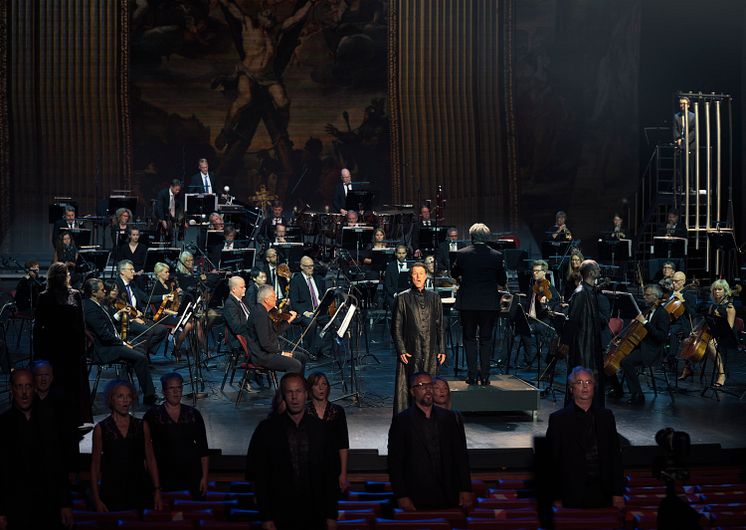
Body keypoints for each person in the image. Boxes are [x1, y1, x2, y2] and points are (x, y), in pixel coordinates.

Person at [247, 373, 339, 530]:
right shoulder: (267, 429)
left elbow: (330, 474)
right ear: (283, 396)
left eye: (298, 391)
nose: (294, 397)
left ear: (306, 394)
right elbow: (259, 475)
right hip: (280, 514)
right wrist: (266, 516)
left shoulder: (320, 429)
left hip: (315, 513)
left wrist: (331, 515)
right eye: (290, 392)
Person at [388, 372, 473, 512]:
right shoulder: (402, 421)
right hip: (417, 495)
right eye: (422, 386)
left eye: (430, 385)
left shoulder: (449, 418)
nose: (428, 389)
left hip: (448, 493)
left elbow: (461, 456)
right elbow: (395, 462)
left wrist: (465, 488)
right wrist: (401, 495)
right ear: (412, 391)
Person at [0, 369, 74, 530]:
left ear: (34, 388)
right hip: (17, 508)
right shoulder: (3, 425)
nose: (24, 392)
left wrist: (65, 503)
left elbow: (58, 464)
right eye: (20, 387)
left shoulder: (49, 420)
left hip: (49, 504)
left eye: (28, 386)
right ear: (12, 390)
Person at [545, 366, 624, 510]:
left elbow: (615, 457)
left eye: (588, 382)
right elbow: (551, 462)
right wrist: (555, 497)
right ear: (571, 389)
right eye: (579, 382)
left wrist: (617, 493)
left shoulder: (606, 416)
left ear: (594, 387)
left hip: (602, 492)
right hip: (570, 494)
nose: (585, 387)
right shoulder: (558, 419)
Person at [33, 261, 91, 426]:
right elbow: (38, 326)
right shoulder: (44, 296)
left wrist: (82, 348)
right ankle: (55, 417)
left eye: (64, 274)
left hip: (73, 348)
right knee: (57, 382)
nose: (63, 277)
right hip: (53, 348)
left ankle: (74, 417)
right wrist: (38, 354)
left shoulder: (75, 294)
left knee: (73, 383)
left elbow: (81, 323)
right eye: (61, 274)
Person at [82, 278, 158, 405]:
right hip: (103, 350)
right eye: (102, 289)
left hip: (109, 344)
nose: (105, 290)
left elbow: (106, 324)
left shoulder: (95, 304)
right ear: (94, 293)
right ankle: (149, 396)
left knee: (140, 350)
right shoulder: (90, 308)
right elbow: (104, 335)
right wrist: (122, 343)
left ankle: (130, 389)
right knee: (139, 357)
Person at [90, 380, 162, 512]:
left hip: (139, 490)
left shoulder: (142, 426)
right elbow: (95, 466)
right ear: (111, 399)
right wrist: (96, 498)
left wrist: (157, 490)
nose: (126, 400)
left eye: (129, 396)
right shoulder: (102, 429)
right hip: (113, 492)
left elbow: (151, 459)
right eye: (120, 396)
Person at [452, 223, 507, 385]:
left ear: (472, 237)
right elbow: (502, 280)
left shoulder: (462, 254)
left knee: (469, 339)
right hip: (489, 304)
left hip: (468, 303)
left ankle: (471, 376)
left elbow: (454, 273)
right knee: (486, 339)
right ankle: (485, 376)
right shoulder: (497, 256)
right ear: (487, 238)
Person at [144, 373, 209, 499]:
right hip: (164, 474)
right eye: (171, 388)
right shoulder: (153, 415)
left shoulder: (193, 414)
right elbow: (146, 452)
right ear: (164, 391)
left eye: (178, 388)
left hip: (191, 473)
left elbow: (203, 450)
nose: (175, 392)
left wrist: (205, 478)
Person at [391, 262, 446, 414]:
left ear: (426, 276)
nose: (418, 277)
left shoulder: (434, 298)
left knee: (430, 385)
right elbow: (396, 327)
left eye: (421, 274)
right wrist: (401, 349)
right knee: (411, 386)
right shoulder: (402, 298)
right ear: (411, 277)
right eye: (415, 274)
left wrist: (442, 349)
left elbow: (440, 325)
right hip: (410, 351)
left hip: (430, 350)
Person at [608, 285, 670, 406]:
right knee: (615, 358)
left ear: (655, 296)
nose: (644, 297)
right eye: (644, 295)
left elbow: (661, 337)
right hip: (642, 346)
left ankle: (637, 394)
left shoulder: (662, 314)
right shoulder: (648, 310)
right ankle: (617, 389)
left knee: (626, 362)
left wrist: (645, 322)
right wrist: (636, 323)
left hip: (652, 350)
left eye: (647, 295)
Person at [227, 280, 304, 374]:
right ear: (266, 300)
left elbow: (275, 332)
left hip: (267, 352)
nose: (276, 298)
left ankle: (300, 386)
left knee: (301, 357)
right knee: (296, 365)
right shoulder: (260, 314)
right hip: (262, 356)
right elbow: (265, 343)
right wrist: (281, 353)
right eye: (273, 296)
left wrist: (288, 321)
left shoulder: (264, 311)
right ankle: (289, 387)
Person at [560, 259, 608, 405]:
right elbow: (572, 320)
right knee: (583, 376)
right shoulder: (580, 293)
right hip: (582, 344)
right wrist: (566, 343)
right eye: (598, 269)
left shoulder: (590, 290)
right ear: (592, 272)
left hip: (591, 343)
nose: (600, 271)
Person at [115, 260, 170, 360]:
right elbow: (118, 305)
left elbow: (146, 298)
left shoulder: (133, 285)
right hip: (126, 320)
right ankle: (141, 356)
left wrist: (164, 297)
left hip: (138, 317)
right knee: (149, 331)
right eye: (130, 269)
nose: (134, 271)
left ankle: (141, 352)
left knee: (162, 330)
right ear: (122, 272)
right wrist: (133, 317)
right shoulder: (116, 286)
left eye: (133, 269)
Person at [306, 372, 350, 493]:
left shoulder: (338, 411)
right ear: (310, 388)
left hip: (332, 467)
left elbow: (343, 444)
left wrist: (343, 473)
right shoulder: (304, 412)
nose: (321, 388)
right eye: (316, 385)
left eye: (324, 384)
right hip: (310, 469)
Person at [289, 256, 329, 358]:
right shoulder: (296, 281)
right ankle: (311, 351)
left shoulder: (317, 278)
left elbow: (322, 295)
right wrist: (305, 312)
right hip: (305, 313)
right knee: (311, 323)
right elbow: (294, 302)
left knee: (333, 323)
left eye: (312, 266)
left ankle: (324, 349)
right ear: (302, 266)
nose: (311, 268)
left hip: (318, 310)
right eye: (308, 267)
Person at [154, 179, 184, 243]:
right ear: (171, 187)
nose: (178, 191)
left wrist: (182, 220)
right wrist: (163, 220)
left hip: (171, 216)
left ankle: (178, 238)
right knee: (158, 235)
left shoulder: (179, 194)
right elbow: (160, 208)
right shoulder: (162, 194)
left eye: (179, 190)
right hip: (161, 215)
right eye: (176, 189)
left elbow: (180, 207)